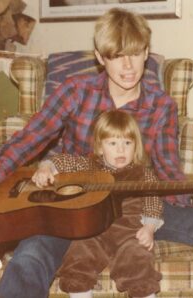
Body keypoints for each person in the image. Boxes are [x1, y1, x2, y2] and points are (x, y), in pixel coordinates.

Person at [0, 7, 193, 298]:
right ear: (100, 57)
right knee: (30, 256)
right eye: (117, 56)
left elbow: (169, 173)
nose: (128, 66)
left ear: (146, 52)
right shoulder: (76, 90)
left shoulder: (161, 107)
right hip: (72, 207)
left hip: (137, 203)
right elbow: (30, 138)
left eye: (135, 53)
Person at [33, 110, 163, 297]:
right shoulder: (90, 165)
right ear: (100, 148)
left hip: (130, 234)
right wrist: (45, 168)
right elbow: (62, 161)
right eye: (113, 143)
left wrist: (149, 228)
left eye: (127, 143)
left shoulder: (142, 174)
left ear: (136, 146)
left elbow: (153, 201)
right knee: (78, 254)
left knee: (138, 259)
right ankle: (80, 293)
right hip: (94, 232)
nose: (121, 150)